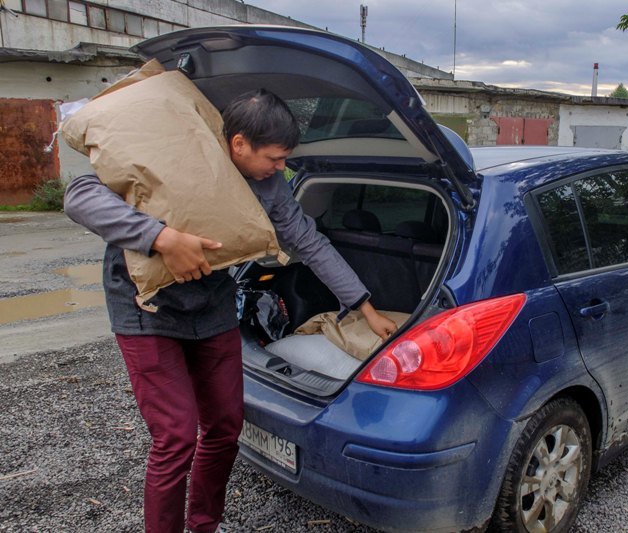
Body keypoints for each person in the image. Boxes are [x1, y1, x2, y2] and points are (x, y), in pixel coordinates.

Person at [63, 88, 397, 533]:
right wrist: (161, 238)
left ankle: (204, 525)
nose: (282, 169)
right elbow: (80, 196)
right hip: (147, 310)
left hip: (213, 304)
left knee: (224, 427)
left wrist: (363, 306)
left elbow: (308, 241)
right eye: (275, 158)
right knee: (176, 437)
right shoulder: (174, 154)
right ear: (238, 144)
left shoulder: (269, 186)